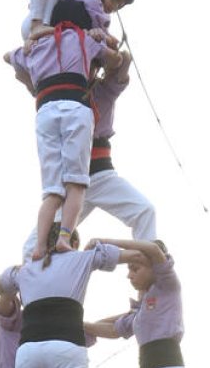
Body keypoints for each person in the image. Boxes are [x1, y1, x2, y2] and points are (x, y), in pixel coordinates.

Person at [13, 46, 157, 262]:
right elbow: (19, 69)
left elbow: (123, 61)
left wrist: (104, 44)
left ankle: (148, 270)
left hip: (101, 175)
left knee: (144, 210)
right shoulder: (59, 91)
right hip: (71, 186)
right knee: (31, 247)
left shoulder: (105, 90)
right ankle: (37, 290)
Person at [5, 11, 123, 260]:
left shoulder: (36, 45)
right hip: (74, 107)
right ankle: (63, 238)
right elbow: (115, 60)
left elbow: (7, 57)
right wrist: (102, 39)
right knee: (76, 182)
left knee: (52, 190)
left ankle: (39, 246)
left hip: (45, 109)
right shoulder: (82, 37)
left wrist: (32, 77)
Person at [0, 224, 140, 368]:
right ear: (75, 242)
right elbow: (136, 255)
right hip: (67, 346)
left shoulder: (26, 270)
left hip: (29, 352)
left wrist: (22, 278)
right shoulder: (82, 258)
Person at [84, 239, 192, 368]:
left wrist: (104, 241)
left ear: (154, 267)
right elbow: (114, 329)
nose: (129, 275)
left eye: (135, 268)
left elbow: (154, 250)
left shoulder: (167, 285)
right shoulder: (142, 312)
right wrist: (78, 324)